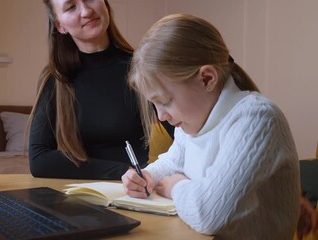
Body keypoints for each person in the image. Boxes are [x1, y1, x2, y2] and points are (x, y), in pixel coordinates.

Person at [121, 13, 301, 239]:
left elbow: (208, 214)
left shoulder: (257, 119)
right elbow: (174, 160)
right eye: (154, 104)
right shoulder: (191, 120)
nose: (161, 116)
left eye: (165, 101)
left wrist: (175, 186)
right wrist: (147, 175)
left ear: (207, 79)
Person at [28, 0, 172, 179]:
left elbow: (186, 138)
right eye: (71, 7)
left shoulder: (142, 69)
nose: (86, 11)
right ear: (60, 26)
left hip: (134, 192)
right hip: (77, 196)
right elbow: (39, 160)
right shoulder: (55, 79)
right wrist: (121, 171)